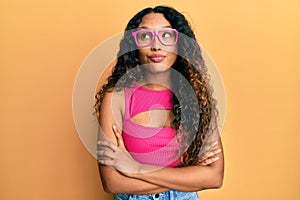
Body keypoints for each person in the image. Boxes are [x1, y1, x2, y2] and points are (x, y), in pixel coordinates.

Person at [95, 5, 224, 200]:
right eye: (145, 36)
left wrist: (135, 168)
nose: (156, 46)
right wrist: (189, 177)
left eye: (166, 36)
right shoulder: (116, 98)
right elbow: (112, 182)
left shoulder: (197, 97)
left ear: (179, 43)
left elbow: (214, 177)